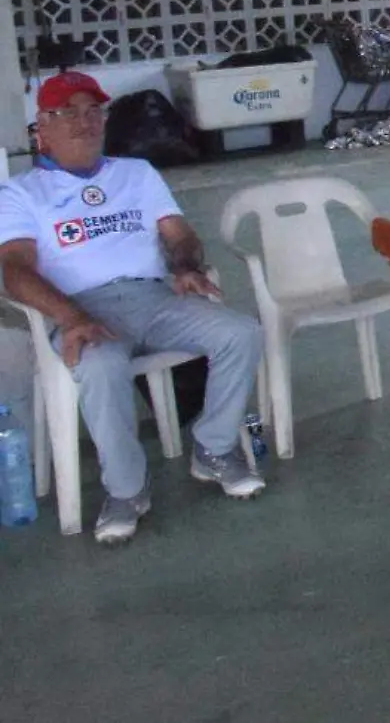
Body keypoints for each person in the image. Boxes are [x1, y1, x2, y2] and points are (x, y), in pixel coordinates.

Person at [0, 71, 265, 545]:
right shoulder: (20, 193)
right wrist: (72, 317)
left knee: (240, 332)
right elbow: (13, 271)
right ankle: (126, 488)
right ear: (42, 125)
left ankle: (214, 447)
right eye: (68, 113)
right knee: (100, 367)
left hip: (152, 297)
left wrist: (185, 265)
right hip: (81, 309)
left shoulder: (136, 174)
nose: (84, 123)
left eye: (93, 112)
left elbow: (179, 235)